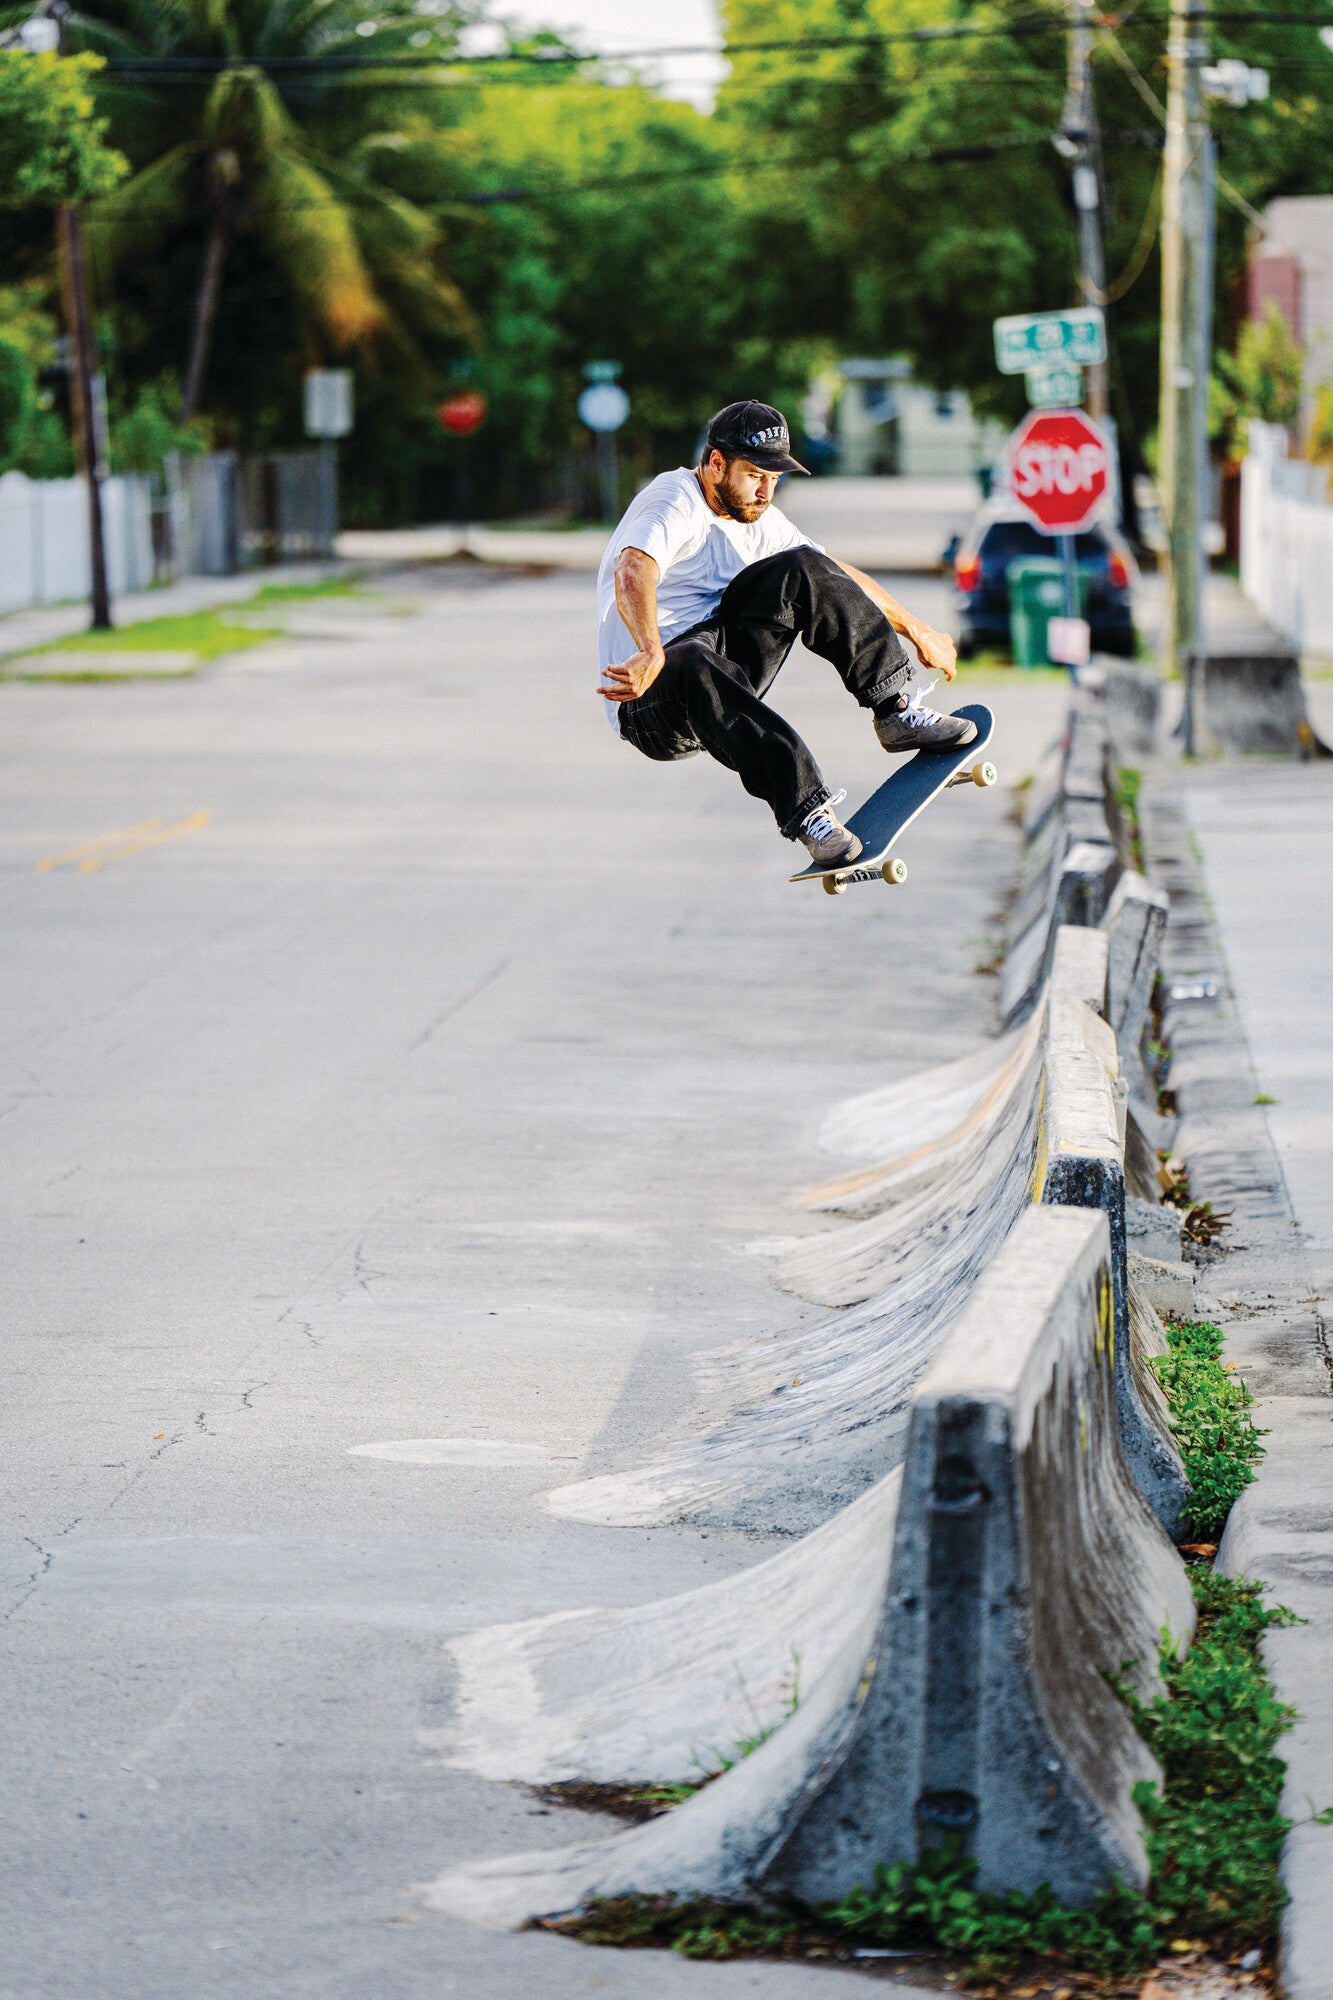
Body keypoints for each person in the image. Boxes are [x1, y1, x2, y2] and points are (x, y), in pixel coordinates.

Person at [596, 400, 976, 867]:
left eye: (775, 479)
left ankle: (894, 708)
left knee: (806, 567)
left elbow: (838, 576)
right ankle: (809, 813)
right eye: (755, 475)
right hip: (651, 701)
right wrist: (651, 648)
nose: (765, 492)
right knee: (691, 658)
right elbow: (633, 567)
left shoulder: (760, 521)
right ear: (716, 463)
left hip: (725, 669)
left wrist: (917, 628)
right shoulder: (674, 500)